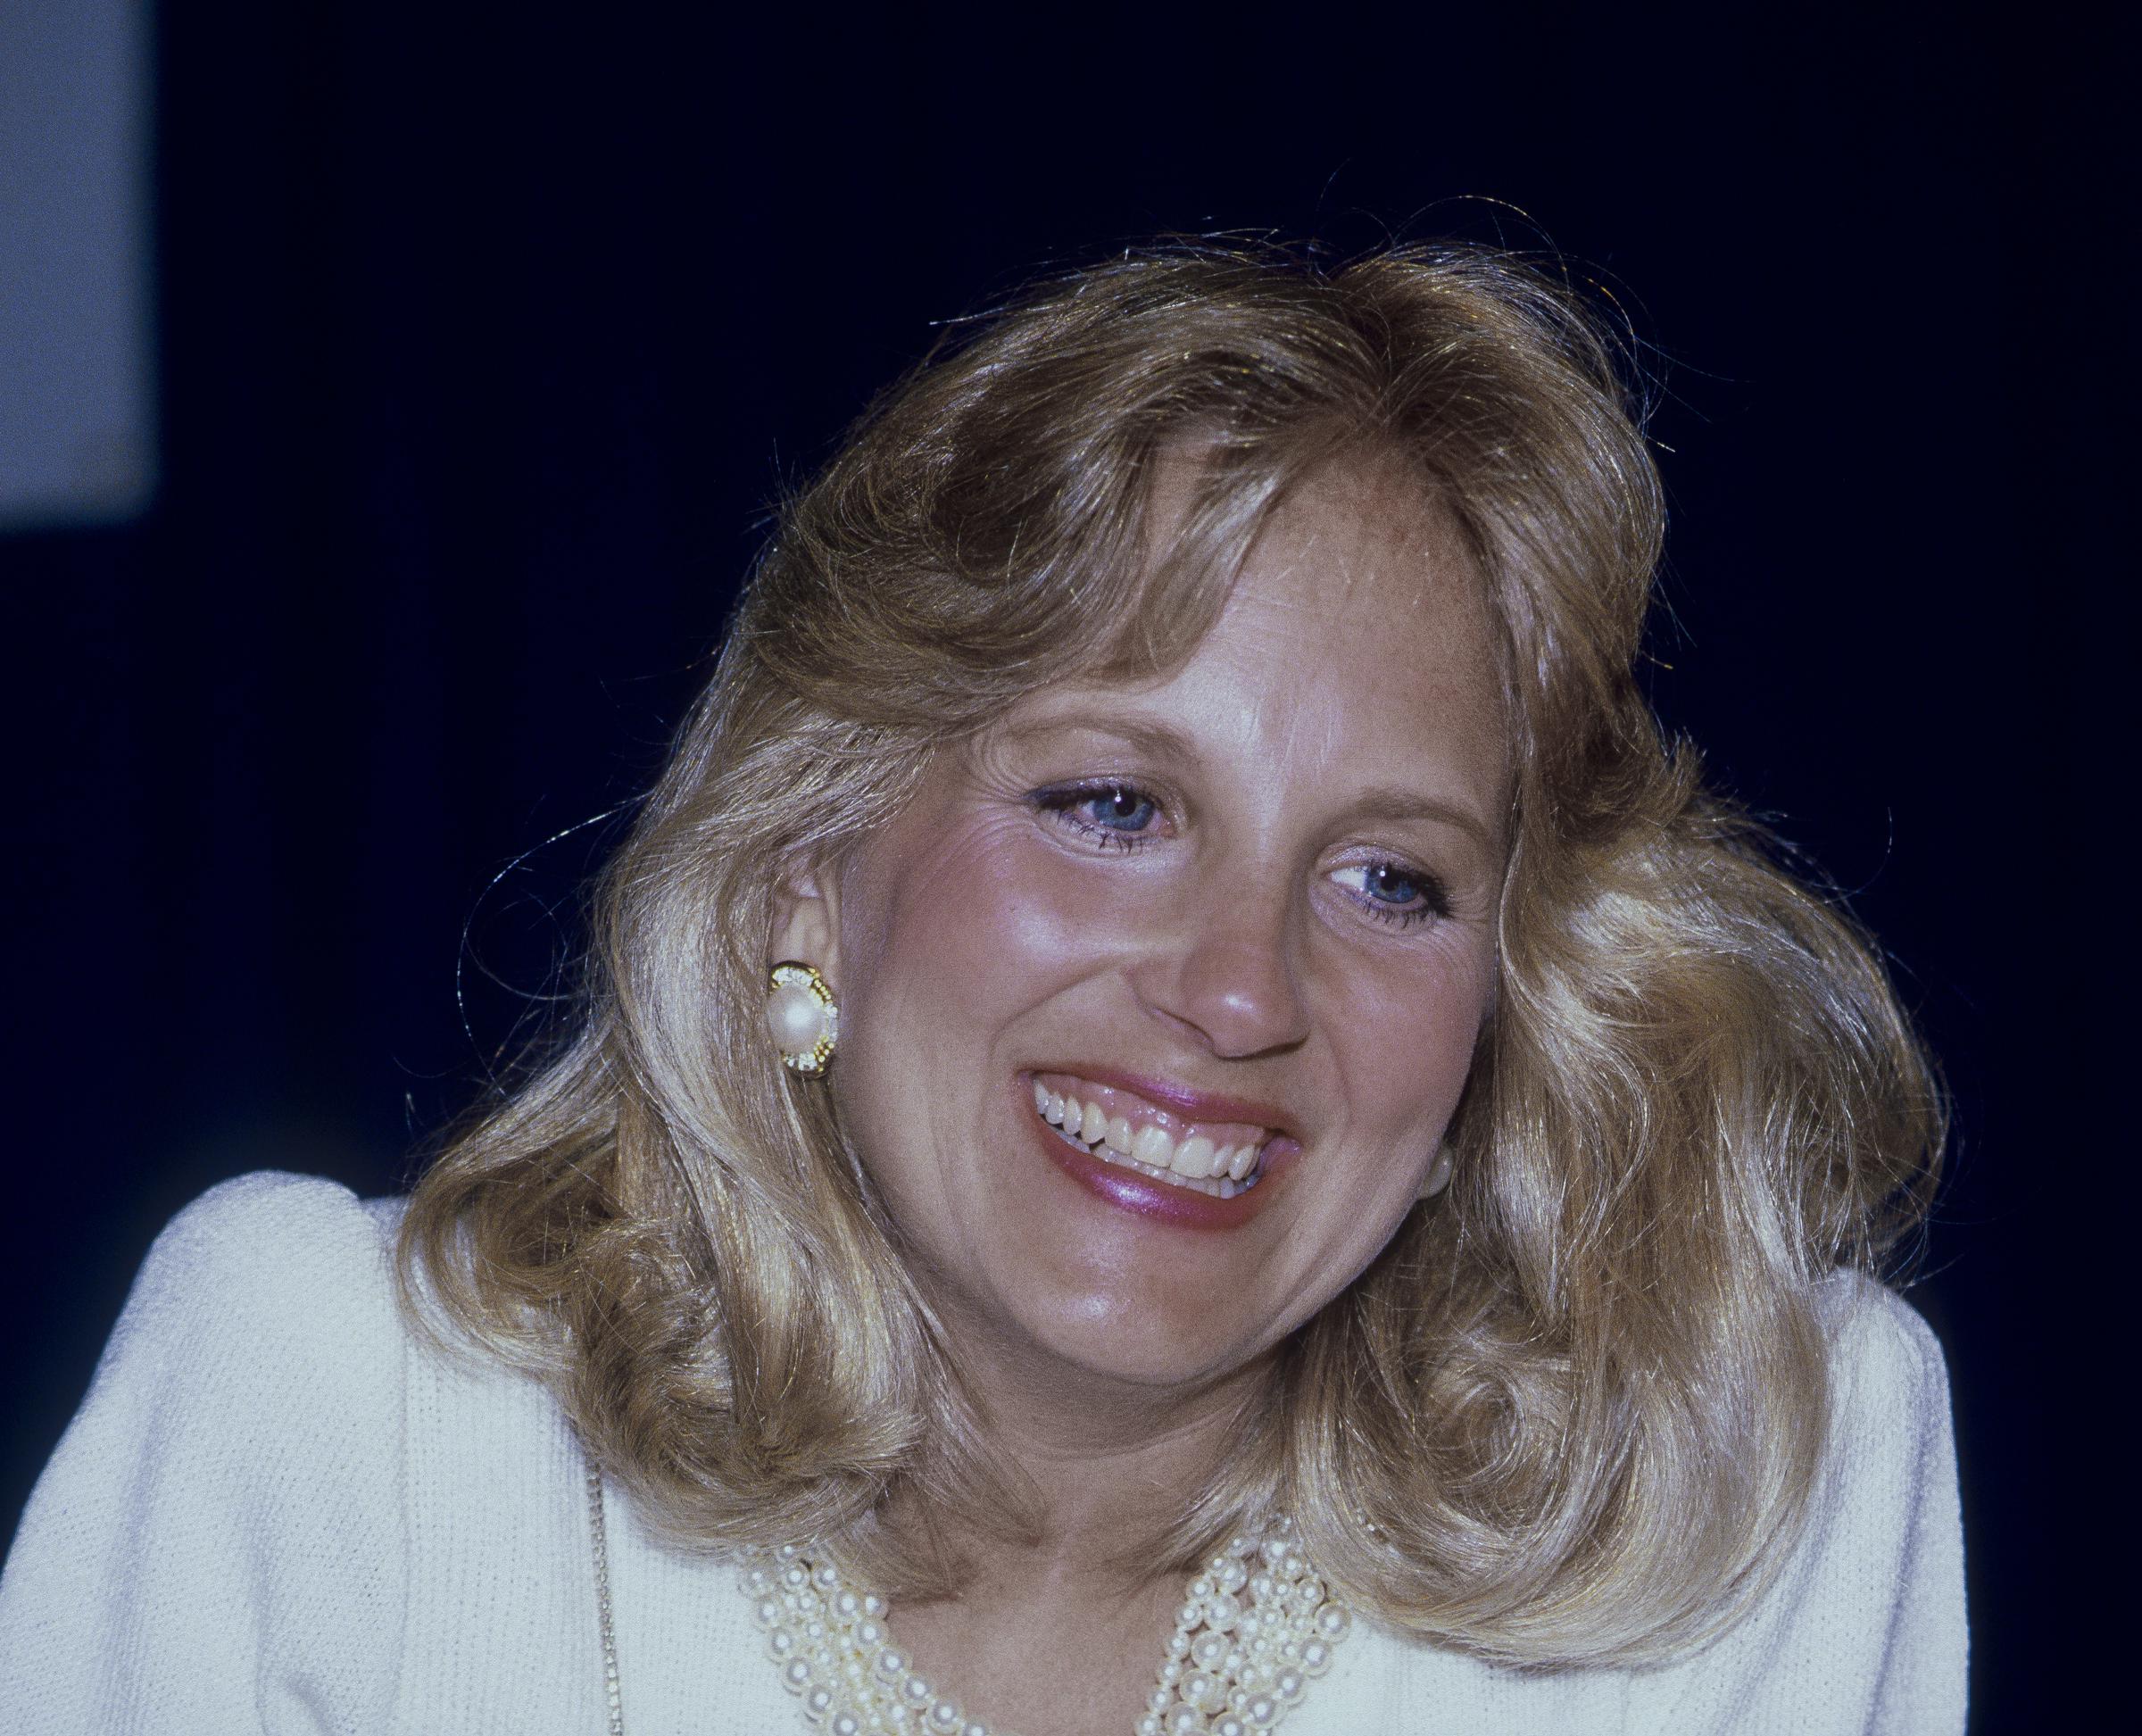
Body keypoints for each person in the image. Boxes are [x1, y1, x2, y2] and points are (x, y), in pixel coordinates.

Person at [0, 241, 1964, 1734]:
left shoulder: (1739, 1486)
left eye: (1391, 878)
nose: (1237, 990)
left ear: (1504, 1013)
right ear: (804, 875)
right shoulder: (347, 1418)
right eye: (1112, 803)